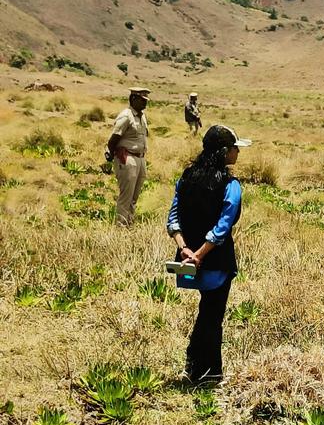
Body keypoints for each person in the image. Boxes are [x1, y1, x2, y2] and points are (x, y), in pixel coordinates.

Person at [166, 124, 251, 384]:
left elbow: (173, 219)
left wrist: (184, 249)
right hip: (216, 260)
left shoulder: (186, 178)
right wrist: (201, 254)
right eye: (235, 147)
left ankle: (193, 366)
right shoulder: (230, 184)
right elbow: (223, 227)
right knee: (212, 315)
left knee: (207, 310)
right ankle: (209, 372)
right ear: (224, 152)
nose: (238, 152)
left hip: (188, 259)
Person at [106, 87, 150, 226]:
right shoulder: (126, 116)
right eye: (142, 100)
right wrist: (112, 155)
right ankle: (121, 226)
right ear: (133, 99)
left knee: (134, 196)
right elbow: (113, 139)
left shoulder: (142, 116)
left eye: (146, 100)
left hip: (140, 158)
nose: (145, 103)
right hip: (127, 158)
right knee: (126, 196)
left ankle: (129, 223)